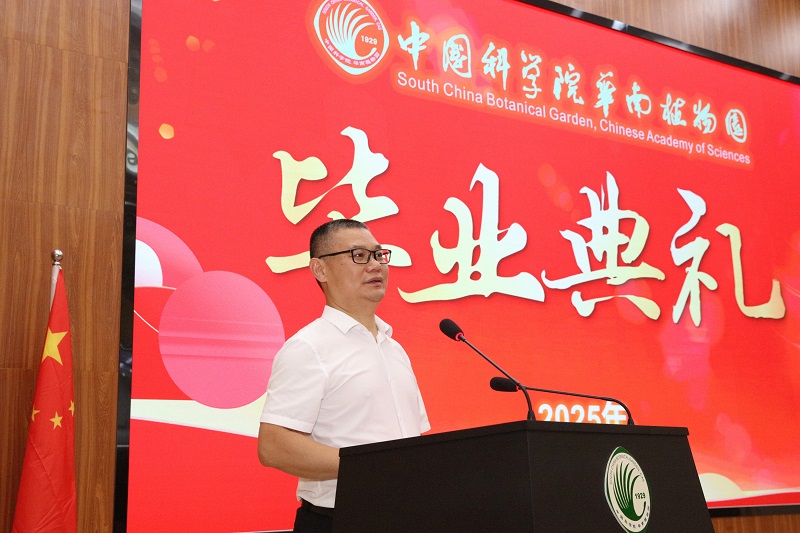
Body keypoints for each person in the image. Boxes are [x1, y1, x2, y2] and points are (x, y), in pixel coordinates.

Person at [258, 219, 429, 533]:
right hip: (338, 520)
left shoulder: (394, 349)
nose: (375, 265)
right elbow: (274, 446)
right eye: (358, 256)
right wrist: (371, 466)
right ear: (320, 269)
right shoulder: (308, 347)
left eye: (379, 255)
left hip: (406, 516)